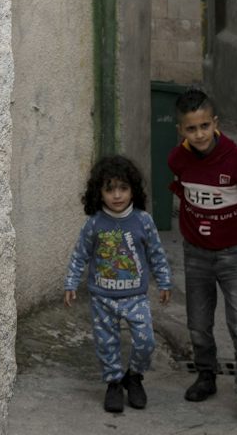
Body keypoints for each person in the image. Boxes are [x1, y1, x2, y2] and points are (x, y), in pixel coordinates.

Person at [168, 89, 237, 421]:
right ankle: (206, 375)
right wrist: (191, 230)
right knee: (198, 323)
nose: (198, 135)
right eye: (190, 129)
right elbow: (181, 194)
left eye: (204, 126)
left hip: (233, 254)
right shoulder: (177, 160)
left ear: (215, 124)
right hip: (196, 254)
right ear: (180, 130)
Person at [64, 154, 173, 414]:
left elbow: (156, 254)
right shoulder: (94, 224)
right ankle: (113, 382)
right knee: (106, 344)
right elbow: (80, 255)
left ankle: (134, 377)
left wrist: (165, 281)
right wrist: (71, 282)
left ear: (133, 189)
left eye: (123, 188)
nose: (117, 195)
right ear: (98, 192)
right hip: (102, 298)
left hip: (135, 297)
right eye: (109, 189)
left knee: (146, 341)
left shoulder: (143, 221)